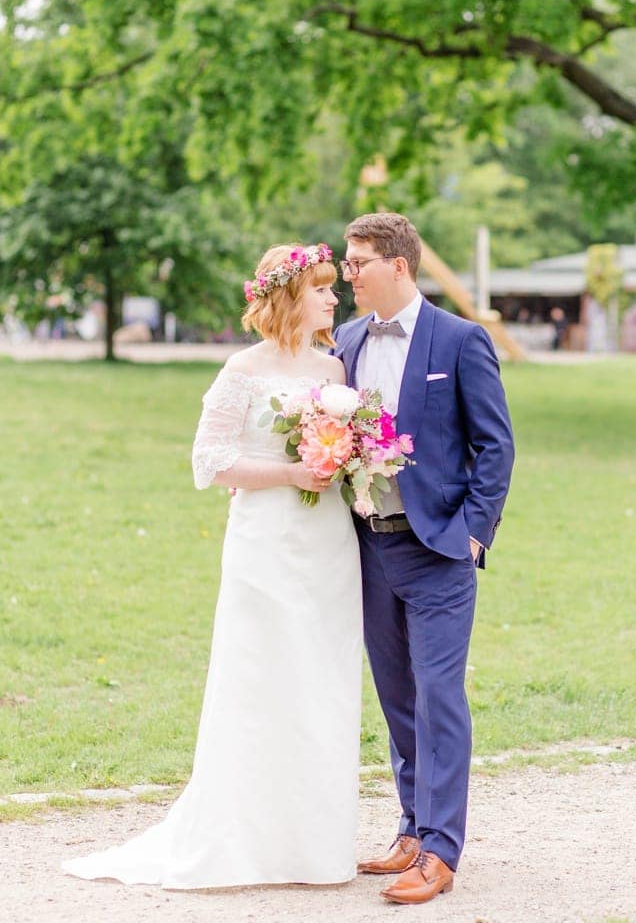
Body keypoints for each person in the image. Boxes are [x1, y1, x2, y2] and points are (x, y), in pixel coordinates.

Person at [63, 243, 362, 889]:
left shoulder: (335, 367)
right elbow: (210, 461)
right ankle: (246, 839)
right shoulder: (242, 368)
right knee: (260, 679)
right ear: (288, 295)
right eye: (321, 288)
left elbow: (347, 451)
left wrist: (351, 461)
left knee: (323, 681)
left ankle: (314, 845)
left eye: (333, 288)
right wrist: (291, 471)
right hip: (265, 542)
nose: (333, 298)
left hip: (328, 543)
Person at [335, 212, 514, 904]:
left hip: (438, 549)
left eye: (358, 263)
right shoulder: (347, 341)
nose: (348, 275)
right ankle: (411, 827)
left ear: (398, 265)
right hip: (369, 548)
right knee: (397, 698)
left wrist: (474, 532)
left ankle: (441, 849)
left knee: (439, 697)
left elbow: (495, 445)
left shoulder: (461, 339)